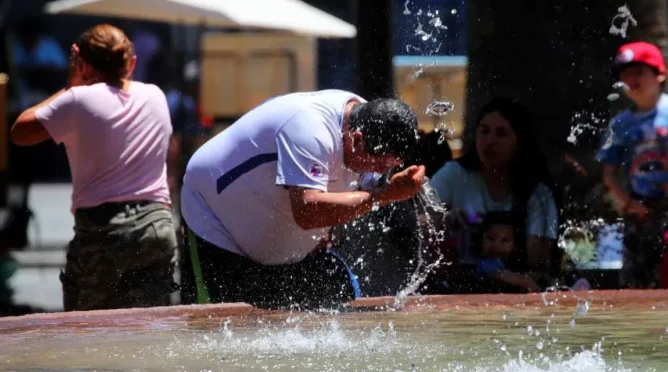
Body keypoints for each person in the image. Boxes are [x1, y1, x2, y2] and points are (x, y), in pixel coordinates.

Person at [179, 91, 425, 309]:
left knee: (343, 304)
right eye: (377, 164)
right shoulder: (310, 130)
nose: (381, 172)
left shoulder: (372, 121)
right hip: (215, 223)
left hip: (282, 241)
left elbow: (355, 188)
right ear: (356, 139)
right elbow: (308, 212)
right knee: (214, 330)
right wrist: (384, 196)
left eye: (391, 165)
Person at [10, 24, 178, 311]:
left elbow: (19, 131)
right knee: (151, 332)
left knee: (90, 334)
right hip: (157, 227)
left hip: (104, 231)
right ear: (132, 63)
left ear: (82, 63)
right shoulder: (155, 95)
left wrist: (70, 86)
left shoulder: (77, 100)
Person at [597, 41, 668, 289]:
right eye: (625, 74)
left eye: (639, 71)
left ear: (660, 74)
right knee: (637, 285)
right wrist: (630, 205)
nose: (632, 79)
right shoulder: (620, 124)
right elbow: (609, 174)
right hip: (640, 214)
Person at [430, 97, 560, 284]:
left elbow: (539, 264)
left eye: (501, 134)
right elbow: (418, 226)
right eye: (484, 131)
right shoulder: (452, 176)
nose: (489, 141)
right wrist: (443, 221)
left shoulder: (538, 196)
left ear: (519, 142)